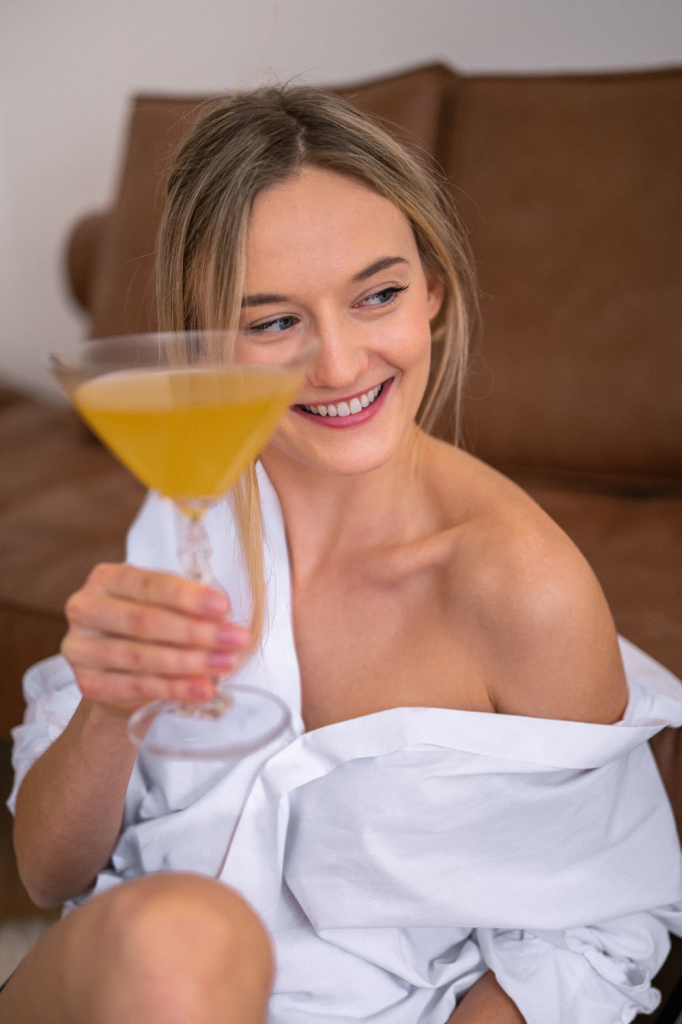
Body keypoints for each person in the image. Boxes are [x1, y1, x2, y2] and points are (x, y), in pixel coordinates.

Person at [2, 86, 682, 1024]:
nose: (337, 365)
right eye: (272, 321)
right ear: (203, 341)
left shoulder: (522, 590)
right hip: (126, 988)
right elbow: (49, 875)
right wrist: (110, 713)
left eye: (378, 295)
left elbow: (594, 934)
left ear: (433, 290)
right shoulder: (191, 510)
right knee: (174, 940)